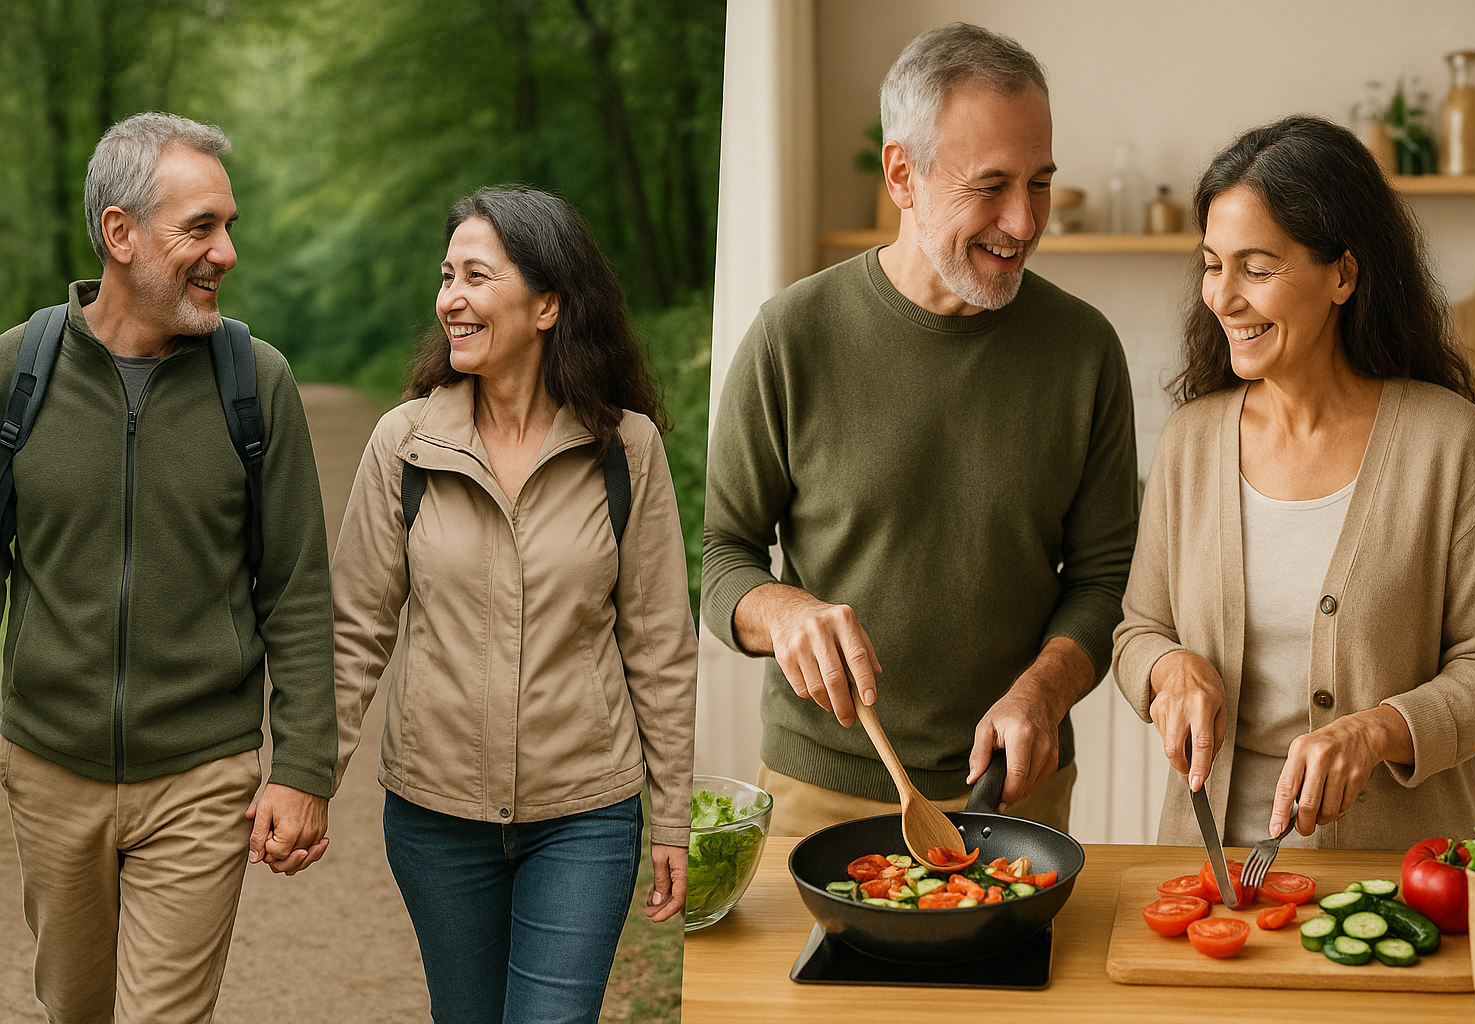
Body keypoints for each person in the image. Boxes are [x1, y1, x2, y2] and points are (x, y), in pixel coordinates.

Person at [702, 22, 1138, 837]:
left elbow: (1106, 577)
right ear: (903, 174)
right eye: (991, 185)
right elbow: (718, 556)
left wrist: (1041, 692)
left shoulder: (1084, 351)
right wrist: (784, 611)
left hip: (1014, 794)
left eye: (1040, 182)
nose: (1023, 220)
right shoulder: (791, 337)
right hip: (816, 792)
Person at [1112, 115, 1475, 850]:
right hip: (1213, 876)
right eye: (1214, 264)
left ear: (1342, 273)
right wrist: (1169, 669)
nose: (1223, 297)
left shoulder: (1445, 438)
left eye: (1257, 267)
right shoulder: (1190, 441)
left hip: (1398, 878)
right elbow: (1137, 630)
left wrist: (1377, 731)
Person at [329, 185, 697, 1024]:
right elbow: (355, 630)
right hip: (434, 817)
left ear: (547, 303)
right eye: (446, 276)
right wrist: (308, 780)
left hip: (585, 817)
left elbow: (660, 647)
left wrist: (672, 817)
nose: (449, 298)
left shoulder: (625, 450)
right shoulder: (407, 444)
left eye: (475, 277)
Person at [0, 112, 335, 1022]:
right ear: (119, 233)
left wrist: (304, 765)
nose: (225, 252)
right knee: (73, 1008)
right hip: (49, 763)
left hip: (203, 770)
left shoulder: (254, 381)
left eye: (229, 227)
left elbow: (298, 590)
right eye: (201, 227)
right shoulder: (17, 374)